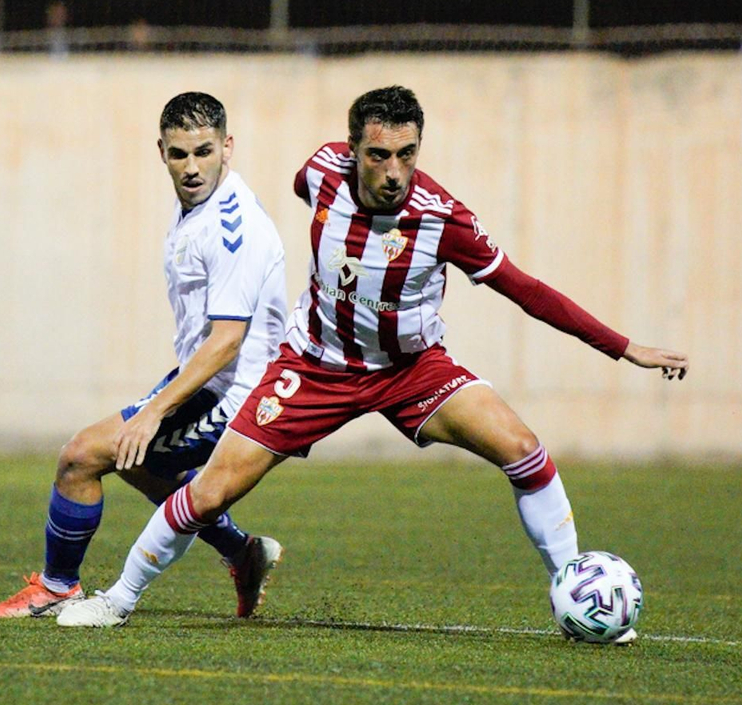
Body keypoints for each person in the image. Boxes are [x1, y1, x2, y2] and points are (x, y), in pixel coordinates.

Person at [56, 85, 690, 635]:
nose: (393, 171)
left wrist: (623, 347)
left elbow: (526, 290)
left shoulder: (444, 221)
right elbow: (310, 192)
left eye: (407, 155)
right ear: (352, 149)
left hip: (412, 371)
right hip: (313, 369)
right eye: (378, 154)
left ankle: (572, 593)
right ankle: (116, 601)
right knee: (211, 489)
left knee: (523, 448)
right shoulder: (319, 175)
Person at [0, 92, 290, 620]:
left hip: (240, 391)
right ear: (161, 152)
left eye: (204, 151)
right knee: (132, 458)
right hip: (212, 377)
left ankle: (58, 586)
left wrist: (153, 412)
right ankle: (242, 552)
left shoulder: (234, 229)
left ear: (228, 147)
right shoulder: (197, 204)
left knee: (81, 457)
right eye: (179, 154)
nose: (192, 167)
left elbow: (227, 341)